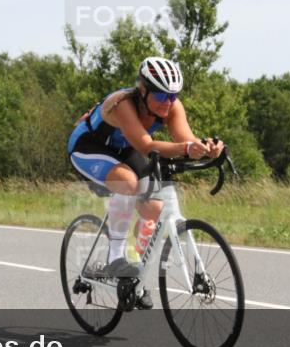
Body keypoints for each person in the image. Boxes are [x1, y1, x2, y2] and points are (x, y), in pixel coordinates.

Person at [67, 57, 223, 308]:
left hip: (124, 149)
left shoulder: (172, 106)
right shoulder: (122, 104)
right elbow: (146, 146)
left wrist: (206, 149)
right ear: (143, 91)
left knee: (155, 207)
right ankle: (114, 258)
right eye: (161, 96)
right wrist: (186, 148)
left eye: (173, 96)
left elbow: (186, 140)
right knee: (128, 183)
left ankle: (134, 276)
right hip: (88, 147)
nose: (168, 102)